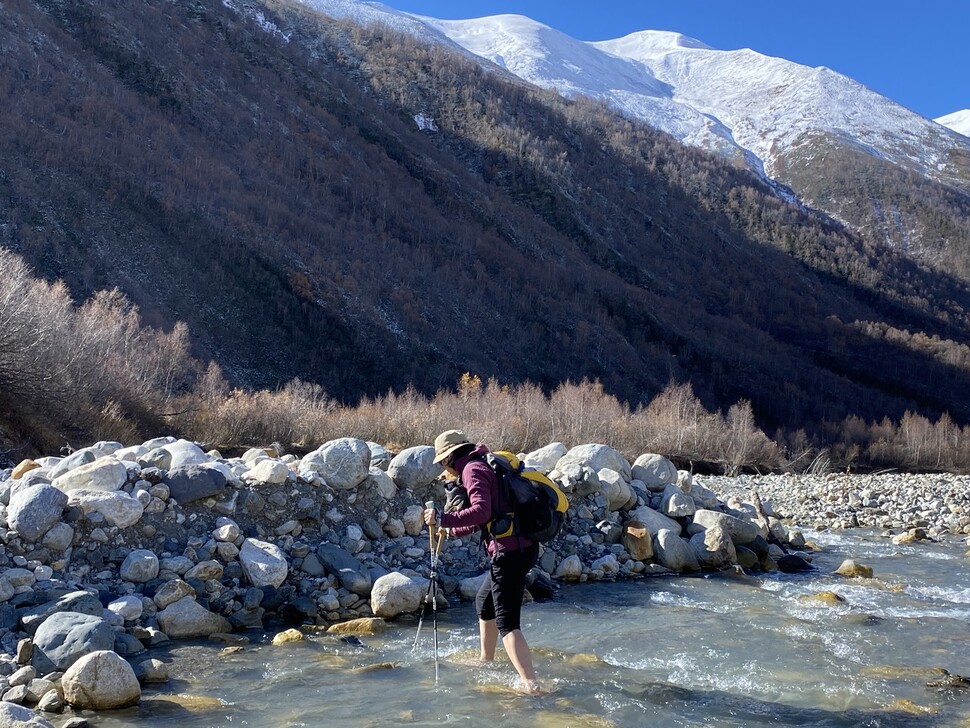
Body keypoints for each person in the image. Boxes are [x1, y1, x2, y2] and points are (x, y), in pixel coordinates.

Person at [423, 429, 542, 693]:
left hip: (509, 551)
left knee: (507, 622)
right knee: (483, 602)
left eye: (443, 462)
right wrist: (452, 530)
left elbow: (480, 511)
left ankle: (531, 685)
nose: (445, 468)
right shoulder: (483, 464)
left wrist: (443, 518)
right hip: (521, 546)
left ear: (451, 456)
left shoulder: (472, 470)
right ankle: (486, 661)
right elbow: (488, 516)